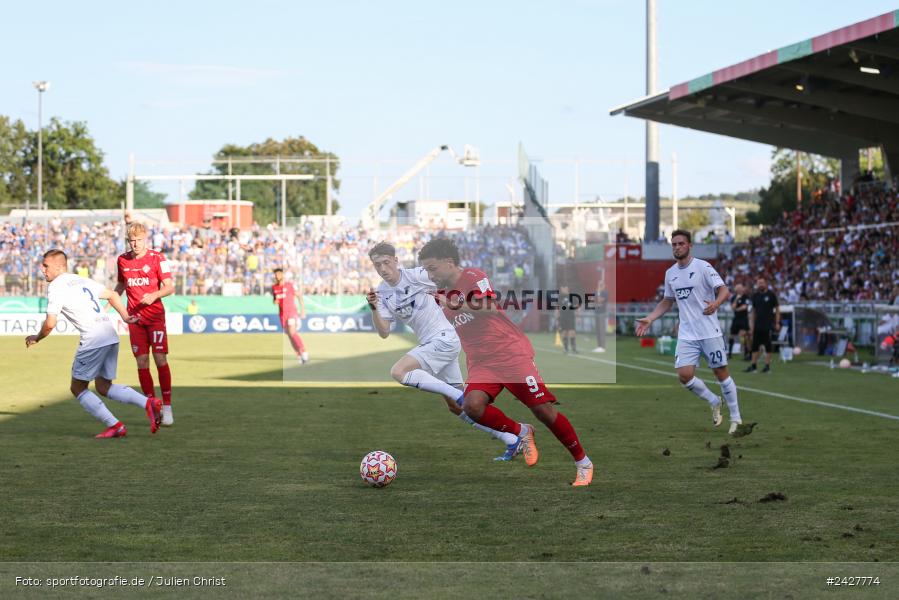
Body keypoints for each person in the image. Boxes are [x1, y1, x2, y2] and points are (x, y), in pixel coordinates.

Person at [419, 238, 594, 486]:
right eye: (426, 269)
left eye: (432, 268)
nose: (429, 274)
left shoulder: (472, 276)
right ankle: (521, 432)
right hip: (481, 362)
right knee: (472, 407)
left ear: (448, 263)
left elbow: (489, 306)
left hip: (509, 352)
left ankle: (583, 462)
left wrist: (454, 303)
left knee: (542, 410)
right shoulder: (436, 295)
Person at [366, 242, 522, 461]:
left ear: (395, 261)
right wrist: (374, 308)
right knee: (456, 407)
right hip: (432, 344)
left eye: (386, 263)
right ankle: (511, 439)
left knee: (399, 371)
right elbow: (384, 332)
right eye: (377, 265)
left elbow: (450, 277)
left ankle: (459, 395)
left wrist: (460, 301)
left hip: (444, 337)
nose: (383, 269)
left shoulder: (418, 275)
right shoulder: (382, 293)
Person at [26, 250, 162, 438]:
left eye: (46, 265)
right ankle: (148, 403)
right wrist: (125, 317)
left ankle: (115, 426)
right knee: (103, 386)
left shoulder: (56, 286)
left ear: (59, 266)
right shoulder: (80, 279)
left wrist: (36, 337)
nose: (42, 269)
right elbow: (113, 294)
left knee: (77, 387)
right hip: (109, 334)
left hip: (94, 338)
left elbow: (50, 324)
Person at [635, 229, 747, 435]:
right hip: (687, 333)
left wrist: (716, 303)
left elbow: (724, 290)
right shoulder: (670, 273)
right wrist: (650, 318)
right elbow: (667, 301)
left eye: (680, 243)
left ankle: (736, 418)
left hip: (709, 331)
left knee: (721, 374)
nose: (677, 247)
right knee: (684, 376)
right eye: (674, 244)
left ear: (689, 246)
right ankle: (714, 401)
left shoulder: (703, 267)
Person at [115, 222, 176, 426]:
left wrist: (154, 295)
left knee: (160, 359)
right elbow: (122, 284)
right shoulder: (122, 260)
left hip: (155, 318)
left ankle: (167, 406)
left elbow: (169, 287)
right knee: (141, 362)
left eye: (139, 240)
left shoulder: (158, 258)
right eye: (132, 240)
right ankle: (152, 404)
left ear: (146, 239)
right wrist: (111, 301)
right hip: (135, 320)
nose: (135, 244)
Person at [272, 268, 308, 364]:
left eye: (279, 274)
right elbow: (275, 300)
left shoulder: (290, 285)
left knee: (292, 333)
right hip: (282, 314)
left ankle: (304, 351)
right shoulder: (274, 287)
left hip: (291, 312)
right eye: (275, 274)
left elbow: (299, 296)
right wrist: (275, 301)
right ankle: (299, 355)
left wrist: (303, 310)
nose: (277, 276)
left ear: (282, 275)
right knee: (289, 336)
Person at [746, 275, 780, 374]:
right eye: (758, 283)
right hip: (757, 325)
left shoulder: (771, 295)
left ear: (766, 284)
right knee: (755, 346)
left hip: (768, 324)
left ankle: (767, 366)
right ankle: (753, 366)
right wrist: (751, 326)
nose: (760, 284)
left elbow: (777, 309)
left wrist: (777, 322)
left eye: (762, 283)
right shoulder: (755, 296)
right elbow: (753, 312)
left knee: (768, 345)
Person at [728, 282, 751, 360]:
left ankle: (746, 354)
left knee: (744, 335)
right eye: (738, 288)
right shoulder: (734, 297)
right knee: (731, 335)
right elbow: (732, 307)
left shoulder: (746, 297)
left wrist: (736, 309)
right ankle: (729, 353)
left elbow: (745, 307)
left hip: (744, 319)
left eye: (741, 288)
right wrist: (737, 299)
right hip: (736, 319)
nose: (740, 289)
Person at [557, 285, 577, 354]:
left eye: (563, 289)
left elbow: (576, 306)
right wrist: (557, 316)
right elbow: (558, 307)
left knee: (572, 332)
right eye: (561, 289)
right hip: (563, 317)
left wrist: (578, 316)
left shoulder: (572, 297)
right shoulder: (559, 297)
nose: (562, 290)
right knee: (564, 332)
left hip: (571, 316)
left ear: (567, 289)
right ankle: (566, 348)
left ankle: (574, 348)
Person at [592, 277, 608, 353]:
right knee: (597, 330)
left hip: (602, 313)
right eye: (599, 284)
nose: (600, 286)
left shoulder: (605, 292)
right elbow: (594, 302)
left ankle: (603, 347)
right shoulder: (596, 292)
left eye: (601, 284)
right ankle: (599, 346)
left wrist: (598, 294)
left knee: (601, 330)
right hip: (596, 312)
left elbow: (600, 300)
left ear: (604, 285)